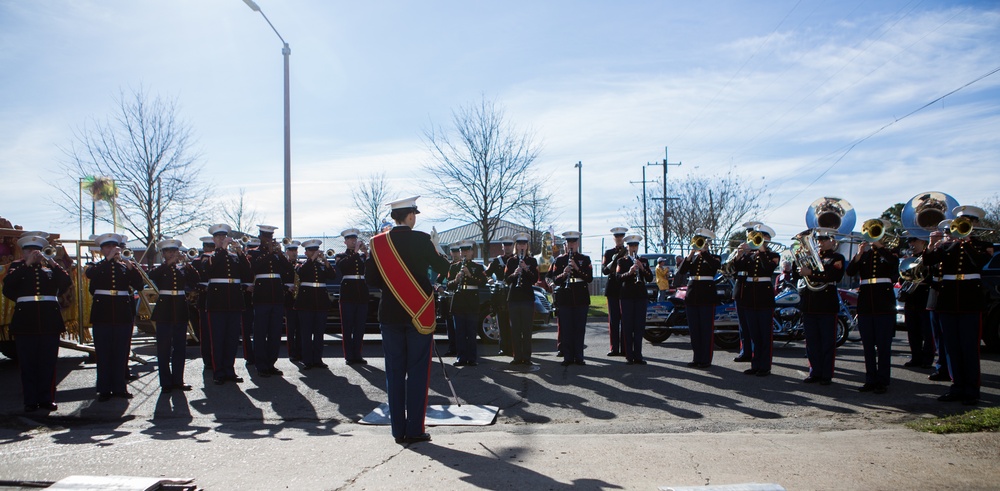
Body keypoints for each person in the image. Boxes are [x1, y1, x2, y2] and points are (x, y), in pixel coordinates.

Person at [365, 196, 451, 444]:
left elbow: (370, 281)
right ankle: (414, 429)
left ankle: (397, 431)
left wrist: (392, 287)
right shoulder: (422, 239)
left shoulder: (378, 243)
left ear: (394, 217)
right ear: (411, 216)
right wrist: (440, 253)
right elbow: (445, 269)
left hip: (390, 314)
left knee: (394, 372)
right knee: (417, 373)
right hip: (418, 312)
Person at [923, 205, 993, 405]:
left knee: (969, 348)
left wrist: (967, 242)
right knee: (952, 348)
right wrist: (931, 244)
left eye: (970, 221)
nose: (966, 224)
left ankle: (971, 389)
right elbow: (928, 261)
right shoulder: (947, 246)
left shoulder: (982, 245)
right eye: (963, 221)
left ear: (976, 224)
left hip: (970, 302)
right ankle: (957, 387)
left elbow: (979, 263)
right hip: (948, 302)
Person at [2, 234, 72, 412]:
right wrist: (26, 264)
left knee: (48, 362)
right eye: (28, 250)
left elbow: (65, 282)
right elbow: (8, 287)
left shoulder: (49, 268)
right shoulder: (17, 267)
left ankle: (47, 398)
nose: (33, 253)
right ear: (23, 252)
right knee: (28, 363)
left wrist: (52, 262)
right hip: (26, 321)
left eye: (37, 250)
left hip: (49, 320)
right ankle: (31, 400)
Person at [86, 233, 144, 401]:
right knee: (103, 352)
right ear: (102, 250)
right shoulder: (95, 265)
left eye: (114, 247)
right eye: (107, 247)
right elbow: (91, 277)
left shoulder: (126, 266)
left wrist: (130, 265)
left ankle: (120, 387)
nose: (112, 250)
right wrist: (108, 259)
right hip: (102, 313)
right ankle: (104, 389)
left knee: (121, 352)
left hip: (122, 313)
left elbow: (139, 285)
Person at [845, 220, 900, 394]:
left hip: (884, 304)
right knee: (868, 345)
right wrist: (859, 254)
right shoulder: (866, 255)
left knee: (883, 345)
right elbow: (850, 272)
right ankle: (870, 379)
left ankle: (882, 380)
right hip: (866, 304)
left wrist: (879, 246)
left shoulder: (890, 253)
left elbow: (893, 265)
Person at [147, 239, 200, 393]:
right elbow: (153, 276)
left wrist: (187, 264)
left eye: (174, 251)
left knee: (180, 347)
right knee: (163, 348)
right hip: (165, 310)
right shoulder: (160, 269)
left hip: (180, 309)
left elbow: (195, 281)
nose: (172, 254)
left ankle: (178, 380)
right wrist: (168, 263)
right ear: (163, 254)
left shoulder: (183, 269)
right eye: (169, 251)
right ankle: (165, 382)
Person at [203, 224, 252, 386]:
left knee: (231, 339)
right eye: (219, 237)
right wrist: (222, 249)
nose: (222, 239)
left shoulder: (234, 256)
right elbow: (209, 271)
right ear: (214, 240)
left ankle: (229, 370)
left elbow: (247, 272)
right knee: (218, 339)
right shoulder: (210, 256)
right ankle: (218, 372)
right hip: (217, 303)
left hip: (234, 302)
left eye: (224, 237)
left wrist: (240, 252)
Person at [795, 227, 845, 385]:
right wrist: (799, 259)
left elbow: (834, 275)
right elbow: (799, 273)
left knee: (827, 342)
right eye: (818, 240)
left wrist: (810, 273)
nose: (820, 242)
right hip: (810, 304)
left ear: (832, 241)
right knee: (811, 342)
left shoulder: (837, 258)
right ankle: (814, 371)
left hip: (826, 304)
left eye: (824, 240)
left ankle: (826, 374)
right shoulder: (812, 256)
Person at [732, 224, 781, 376]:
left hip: (764, 297)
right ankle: (755, 364)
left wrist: (762, 250)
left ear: (767, 239)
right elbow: (738, 267)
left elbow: (768, 269)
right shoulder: (750, 255)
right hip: (749, 297)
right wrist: (739, 255)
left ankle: (765, 366)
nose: (758, 240)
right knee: (753, 334)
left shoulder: (773, 255)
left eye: (761, 237)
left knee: (764, 334)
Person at [248, 225, 294, 377]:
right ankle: (260, 364)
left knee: (275, 332)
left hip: (277, 296)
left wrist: (279, 254)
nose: (269, 240)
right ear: (261, 237)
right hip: (262, 296)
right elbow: (254, 268)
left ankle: (271, 363)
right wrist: (268, 252)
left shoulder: (276, 254)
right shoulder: (254, 253)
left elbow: (288, 269)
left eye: (271, 237)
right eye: (266, 237)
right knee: (261, 332)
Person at [675, 228, 721, 368]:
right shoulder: (692, 258)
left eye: (703, 242)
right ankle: (697, 357)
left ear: (708, 243)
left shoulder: (714, 257)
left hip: (706, 295)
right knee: (694, 329)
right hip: (692, 295)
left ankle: (706, 359)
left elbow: (715, 267)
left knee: (706, 329)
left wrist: (704, 252)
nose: (700, 244)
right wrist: (690, 255)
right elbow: (681, 271)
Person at [547, 231, 593, 367]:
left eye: (573, 242)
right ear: (565, 244)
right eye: (569, 243)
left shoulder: (585, 259)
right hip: (565, 297)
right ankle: (567, 357)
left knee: (579, 328)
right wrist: (564, 273)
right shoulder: (559, 260)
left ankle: (579, 356)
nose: (571, 245)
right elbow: (553, 278)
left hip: (580, 297)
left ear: (577, 244)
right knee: (566, 329)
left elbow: (589, 278)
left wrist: (577, 268)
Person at [296, 239, 337, 370]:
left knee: (319, 332)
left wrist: (325, 261)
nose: (315, 253)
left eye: (316, 250)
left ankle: (317, 358)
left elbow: (332, 276)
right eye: (311, 251)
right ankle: (307, 359)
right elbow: (301, 274)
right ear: (306, 252)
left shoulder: (321, 265)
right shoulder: (302, 264)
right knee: (306, 332)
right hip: (306, 303)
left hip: (320, 302)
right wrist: (312, 259)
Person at [448, 240, 488, 366]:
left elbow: (483, 282)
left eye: (467, 250)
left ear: (471, 252)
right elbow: (448, 285)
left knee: (471, 332)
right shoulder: (454, 267)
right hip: (459, 301)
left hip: (471, 301)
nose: (464, 253)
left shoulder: (477, 267)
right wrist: (456, 280)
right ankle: (461, 357)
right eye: (462, 251)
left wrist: (469, 275)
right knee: (459, 332)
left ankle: (472, 358)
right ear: (459, 253)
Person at [615, 235, 653, 365]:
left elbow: (649, 278)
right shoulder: (622, 261)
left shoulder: (643, 260)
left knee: (639, 326)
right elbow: (618, 277)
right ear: (627, 247)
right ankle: (629, 355)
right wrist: (630, 273)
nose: (633, 248)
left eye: (635, 246)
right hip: (626, 296)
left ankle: (638, 355)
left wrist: (642, 269)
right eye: (631, 246)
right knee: (627, 326)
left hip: (640, 296)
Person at [899, 234, 935, 369]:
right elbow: (902, 278)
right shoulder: (909, 259)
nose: (911, 244)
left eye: (913, 240)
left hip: (924, 297)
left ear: (922, 240)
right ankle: (916, 357)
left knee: (927, 331)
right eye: (909, 241)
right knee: (913, 331)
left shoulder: (928, 258)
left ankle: (927, 359)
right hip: (911, 298)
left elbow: (931, 276)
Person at [335, 228, 370, 365]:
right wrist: (355, 251)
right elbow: (342, 267)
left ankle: (358, 354)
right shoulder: (341, 255)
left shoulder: (362, 256)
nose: (353, 241)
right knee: (348, 326)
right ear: (345, 242)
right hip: (348, 294)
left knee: (360, 327)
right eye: (350, 239)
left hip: (361, 293)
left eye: (355, 239)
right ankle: (349, 355)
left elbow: (371, 267)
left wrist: (366, 252)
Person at [504, 232, 539, 365]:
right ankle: (517, 356)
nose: (522, 246)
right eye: (519, 244)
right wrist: (515, 274)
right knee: (515, 329)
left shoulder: (532, 261)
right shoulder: (511, 261)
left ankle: (527, 357)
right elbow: (507, 280)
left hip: (527, 298)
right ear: (516, 246)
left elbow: (535, 279)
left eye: (524, 244)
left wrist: (526, 269)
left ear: (527, 246)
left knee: (526, 329)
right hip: (514, 298)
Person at [732, 221, 763, 363]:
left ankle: (756, 353)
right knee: (743, 325)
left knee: (754, 326)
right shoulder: (742, 252)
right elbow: (731, 269)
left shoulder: (758, 254)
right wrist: (738, 254)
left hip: (753, 292)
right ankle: (745, 351)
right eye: (748, 236)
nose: (750, 240)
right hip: (741, 290)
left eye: (753, 236)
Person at [484, 236, 515, 356]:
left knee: (514, 322)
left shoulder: (517, 259)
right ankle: (503, 347)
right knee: (501, 322)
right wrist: (489, 280)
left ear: (513, 246)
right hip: (501, 294)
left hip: (513, 292)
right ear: (502, 247)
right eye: (505, 245)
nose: (507, 247)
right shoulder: (497, 261)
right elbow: (485, 274)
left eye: (509, 245)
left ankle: (513, 347)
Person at [601, 227, 628, 357]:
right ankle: (614, 348)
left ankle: (625, 347)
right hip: (612, 288)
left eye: (621, 237)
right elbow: (604, 270)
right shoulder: (608, 252)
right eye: (617, 237)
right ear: (614, 239)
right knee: (613, 320)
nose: (619, 240)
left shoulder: (629, 252)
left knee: (625, 320)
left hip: (625, 288)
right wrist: (615, 258)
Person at [191, 236, 216, 369]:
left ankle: (216, 358)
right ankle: (207, 359)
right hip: (204, 298)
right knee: (205, 331)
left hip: (217, 298)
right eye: (207, 247)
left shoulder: (218, 259)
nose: (209, 249)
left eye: (212, 247)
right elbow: (193, 281)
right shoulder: (197, 262)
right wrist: (202, 287)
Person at [435, 242, 462, 357]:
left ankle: (462, 349)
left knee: (461, 326)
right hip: (450, 298)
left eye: (457, 252)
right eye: (453, 252)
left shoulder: (464, 265)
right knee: (450, 326)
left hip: (462, 298)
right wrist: (439, 287)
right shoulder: (447, 266)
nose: (455, 254)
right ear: (450, 252)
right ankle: (452, 348)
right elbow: (437, 281)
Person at [283, 240, 302, 362]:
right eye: (292, 251)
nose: (294, 253)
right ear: (287, 252)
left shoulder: (300, 265)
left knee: (300, 328)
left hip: (299, 298)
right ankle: (292, 352)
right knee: (290, 328)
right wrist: (286, 287)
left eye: (295, 250)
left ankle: (300, 351)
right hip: (288, 298)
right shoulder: (283, 265)